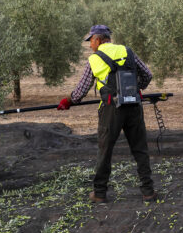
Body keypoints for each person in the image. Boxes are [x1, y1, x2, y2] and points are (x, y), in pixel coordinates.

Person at [57, 24, 157, 203]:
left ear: (98, 39)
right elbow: (147, 75)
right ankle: (148, 191)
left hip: (111, 110)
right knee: (140, 149)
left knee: (105, 151)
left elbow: (81, 90)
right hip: (134, 106)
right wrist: (135, 89)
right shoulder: (128, 51)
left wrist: (68, 101)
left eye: (91, 41)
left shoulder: (94, 59)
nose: (90, 45)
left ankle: (100, 193)